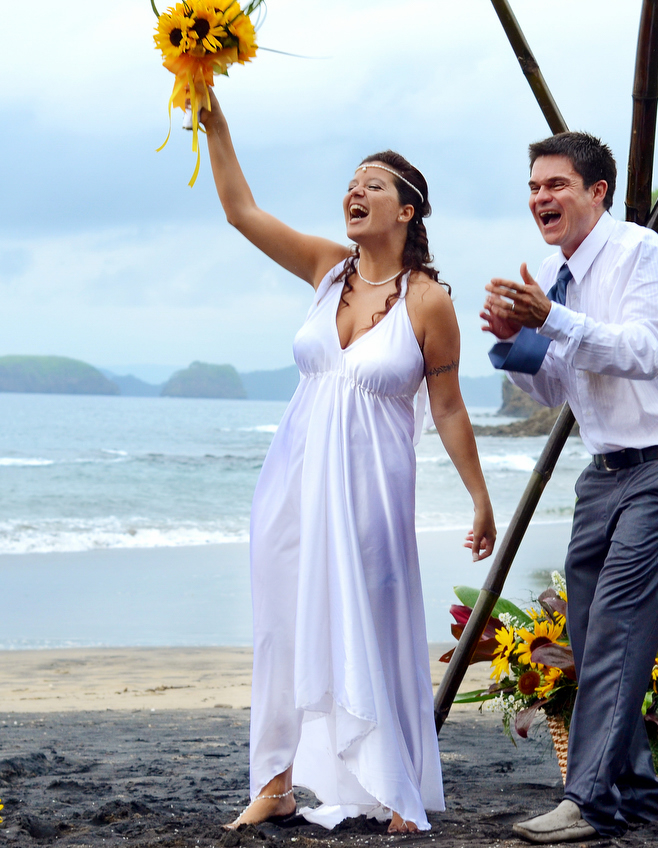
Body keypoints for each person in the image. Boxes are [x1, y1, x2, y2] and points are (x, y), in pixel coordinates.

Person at [197, 90, 497, 834]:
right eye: (351, 184)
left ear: (408, 212)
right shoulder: (327, 270)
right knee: (280, 625)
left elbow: (450, 409)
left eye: (374, 185)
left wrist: (480, 500)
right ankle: (275, 781)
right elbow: (242, 212)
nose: (355, 193)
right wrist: (218, 126)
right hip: (293, 479)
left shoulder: (427, 302)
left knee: (372, 617)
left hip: (369, 489)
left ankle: (393, 783)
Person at [480, 132, 658, 843]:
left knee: (615, 628)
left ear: (596, 192)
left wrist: (551, 318)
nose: (540, 198)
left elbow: (641, 351)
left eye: (555, 185)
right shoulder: (556, 275)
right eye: (534, 187)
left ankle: (582, 801)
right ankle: (632, 797)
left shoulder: (641, 253)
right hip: (603, 472)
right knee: (591, 635)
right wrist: (515, 341)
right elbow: (556, 385)